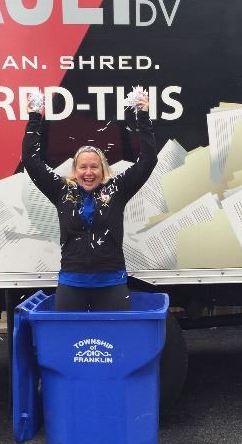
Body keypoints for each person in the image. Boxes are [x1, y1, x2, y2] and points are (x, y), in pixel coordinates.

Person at [21, 91, 158, 311]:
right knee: (70, 341)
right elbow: (30, 160)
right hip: (71, 284)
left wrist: (142, 116)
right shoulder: (61, 190)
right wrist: (35, 117)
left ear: (102, 168)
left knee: (113, 342)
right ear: (75, 170)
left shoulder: (118, 189)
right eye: (82, 167)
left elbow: (149, 160)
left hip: (112, 283)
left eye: (94, 166)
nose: (88, 172)